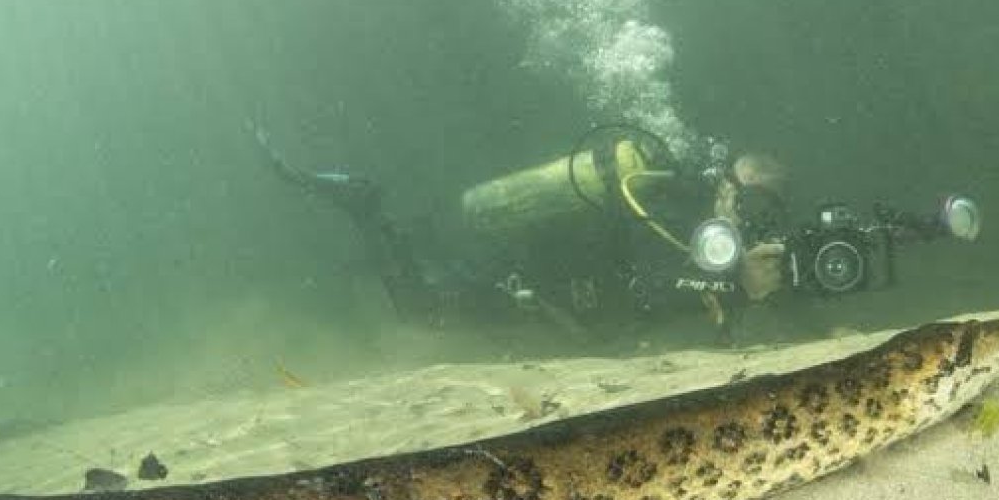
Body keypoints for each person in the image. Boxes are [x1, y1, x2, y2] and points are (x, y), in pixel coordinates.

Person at [258, 126, 791, 344]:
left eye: (766, 205)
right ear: (724, 184)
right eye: (746, 196)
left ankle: (393, 241)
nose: (750, 213)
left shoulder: (697, 219)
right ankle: (366, 207)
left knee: (432, 274)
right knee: (422, 312)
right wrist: (736, 286)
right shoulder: (673, 207)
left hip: (547, 283)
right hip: (534, 281)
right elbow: (646, 288)